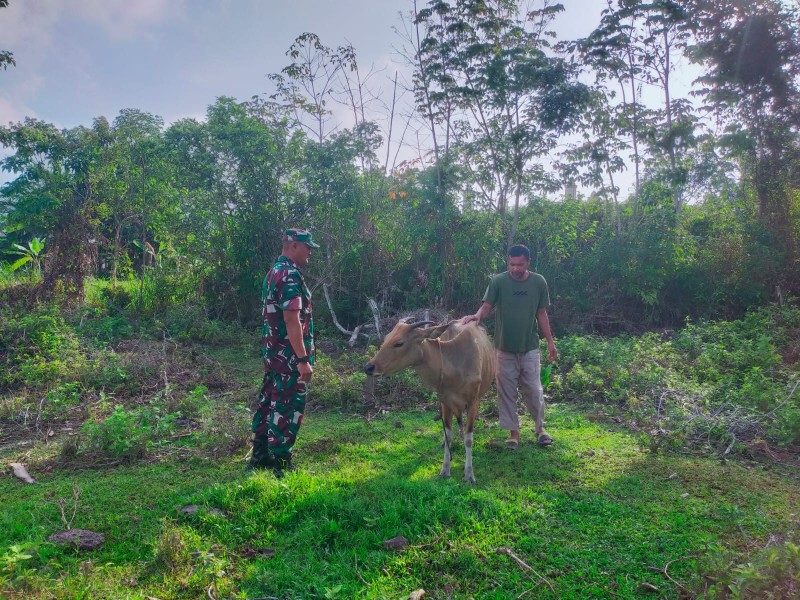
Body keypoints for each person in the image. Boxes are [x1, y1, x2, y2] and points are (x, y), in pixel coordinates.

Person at [461, 244, 558, 448]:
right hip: (504, 348)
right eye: (512, 264)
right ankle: (513, 433)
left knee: (533, 389)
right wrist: (477, 317)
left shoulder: (539, 282)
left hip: (529, 346)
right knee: (506, 391)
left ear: (528, 262)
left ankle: (540, 428)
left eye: (520, 264)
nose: (515, 268)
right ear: (508, 262)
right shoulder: (498, 281)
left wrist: (550, 342)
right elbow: (487, 306)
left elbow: (542, 313)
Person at [249, 228, 319, 476]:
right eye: (306, 246)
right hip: (288, 357)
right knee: (288, 405)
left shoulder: (273, 272)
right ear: (293, 246)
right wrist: (302, 359)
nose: (310, 251)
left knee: (268, 400)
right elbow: (292, 319)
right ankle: (281, 463)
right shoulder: (289, 275)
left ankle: (259, 455)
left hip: (273, 353)